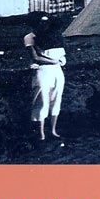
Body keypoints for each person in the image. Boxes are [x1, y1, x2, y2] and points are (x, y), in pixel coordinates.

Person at [24, 12, 66, 141]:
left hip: (57, 71)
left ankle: (53, 130)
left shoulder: (53, 36)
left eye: (46, 21)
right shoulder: (30, 37)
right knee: (42, 100)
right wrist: (53, 61)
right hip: (43, 71)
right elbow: (35, 56)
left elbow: (62, 54)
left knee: (56, 99)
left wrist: (61, 61)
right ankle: (41, 133)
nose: (44, 23)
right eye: (41, 21)